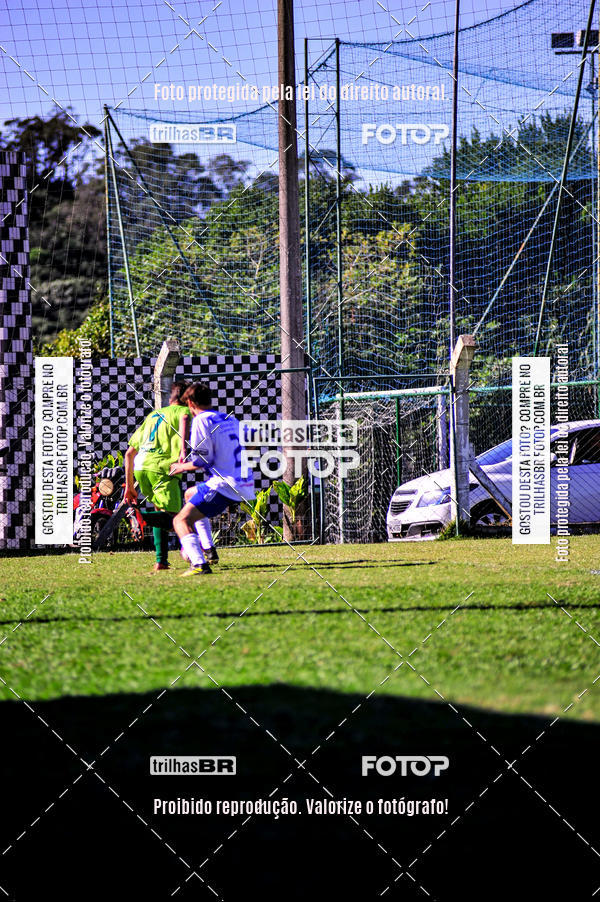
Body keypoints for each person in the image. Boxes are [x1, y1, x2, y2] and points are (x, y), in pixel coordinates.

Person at [169, 381, 255, 576]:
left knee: (180, 521)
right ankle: (208, 548)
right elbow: (252, 439)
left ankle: (199, 563)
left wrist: (179, 467)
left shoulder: (201, 420)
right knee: (190, 494)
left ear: (190, 402)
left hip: (223, 485)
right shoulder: (228, 419)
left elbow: (202, 461)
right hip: (244, 483)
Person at [123, 381, 190, 572]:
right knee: (175, 519)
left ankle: (161, 561)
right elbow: (187, 425)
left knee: (161, 513)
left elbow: (128, 454)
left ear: (171, 398)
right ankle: (140, 516)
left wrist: (130, 486)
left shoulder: (153, 415)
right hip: (163, 468)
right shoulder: (184, 413)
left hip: (141, 468)